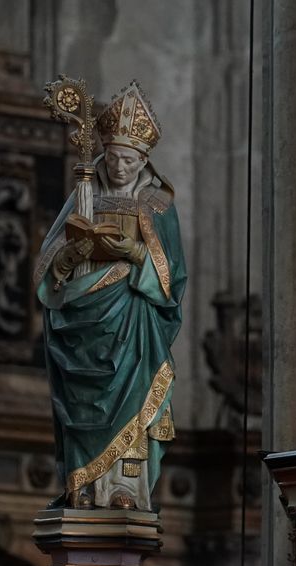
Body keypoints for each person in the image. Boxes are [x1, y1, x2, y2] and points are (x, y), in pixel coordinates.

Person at [34, 81, 186, 511]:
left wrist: (135, 252)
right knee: (83, 403)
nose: (121, 167)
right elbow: (49, 270)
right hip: (83, 325)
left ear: (144, 161)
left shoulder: (157, 207)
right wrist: (71, 256)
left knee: (132, 395)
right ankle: (84, 484)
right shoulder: (85, 197)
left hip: (133, 322)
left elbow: (175, 278)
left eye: (130, 160)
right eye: (115, 158)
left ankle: (125, 487)